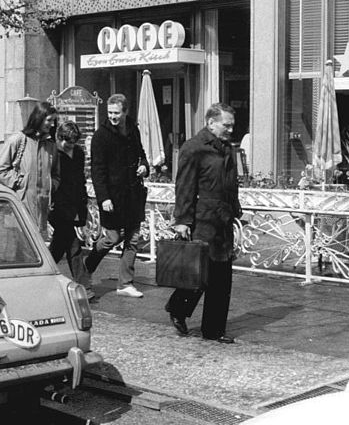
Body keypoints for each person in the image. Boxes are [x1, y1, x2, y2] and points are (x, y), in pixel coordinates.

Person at [166, 103, 242, 343]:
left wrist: (236, 209)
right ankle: (178, 308)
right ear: (211, 122)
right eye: (226, 125)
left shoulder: (227, 148)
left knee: (222, 276)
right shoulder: (194, 148)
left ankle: (214, 330)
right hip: (202, 218)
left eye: (232, 125)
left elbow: (231, 183)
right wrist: (182, 220)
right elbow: (185, 186)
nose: (230, 129)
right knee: (199, 271)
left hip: (223, 218)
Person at [81, 93, 149, 299]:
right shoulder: (101, 136)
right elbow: (97, 170)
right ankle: (86, 268)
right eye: (110, 113)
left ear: (125, 112)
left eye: (116, 113)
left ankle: (125, 283)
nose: (113, 117)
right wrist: (104, 198)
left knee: (133, 238)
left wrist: (144, 166)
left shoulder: (132, 129)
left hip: (133, 193)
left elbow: (141, 153)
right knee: (112, 237)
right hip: (113, 196)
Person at [0, 101, 60, 239]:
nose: (52, 124)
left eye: (54, 121)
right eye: (49, 120)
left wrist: (51, 185)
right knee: (19, 249)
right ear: (39, 118)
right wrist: (19, 182)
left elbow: (56, 174)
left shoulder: (51, 145)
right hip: (20, 206)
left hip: (42, 209)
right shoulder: (18, 140)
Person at [48, 121, 88, 277]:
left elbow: (80, 179)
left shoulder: (78, 153)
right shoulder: (53, 154)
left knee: (59, 245)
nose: (70, 147)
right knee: (73, 244)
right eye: (67, 143)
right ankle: (83, 283)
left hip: (73, 202)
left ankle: (45, 272)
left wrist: (82, 204)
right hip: (58, 203)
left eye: (73, 143)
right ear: (59, 138)